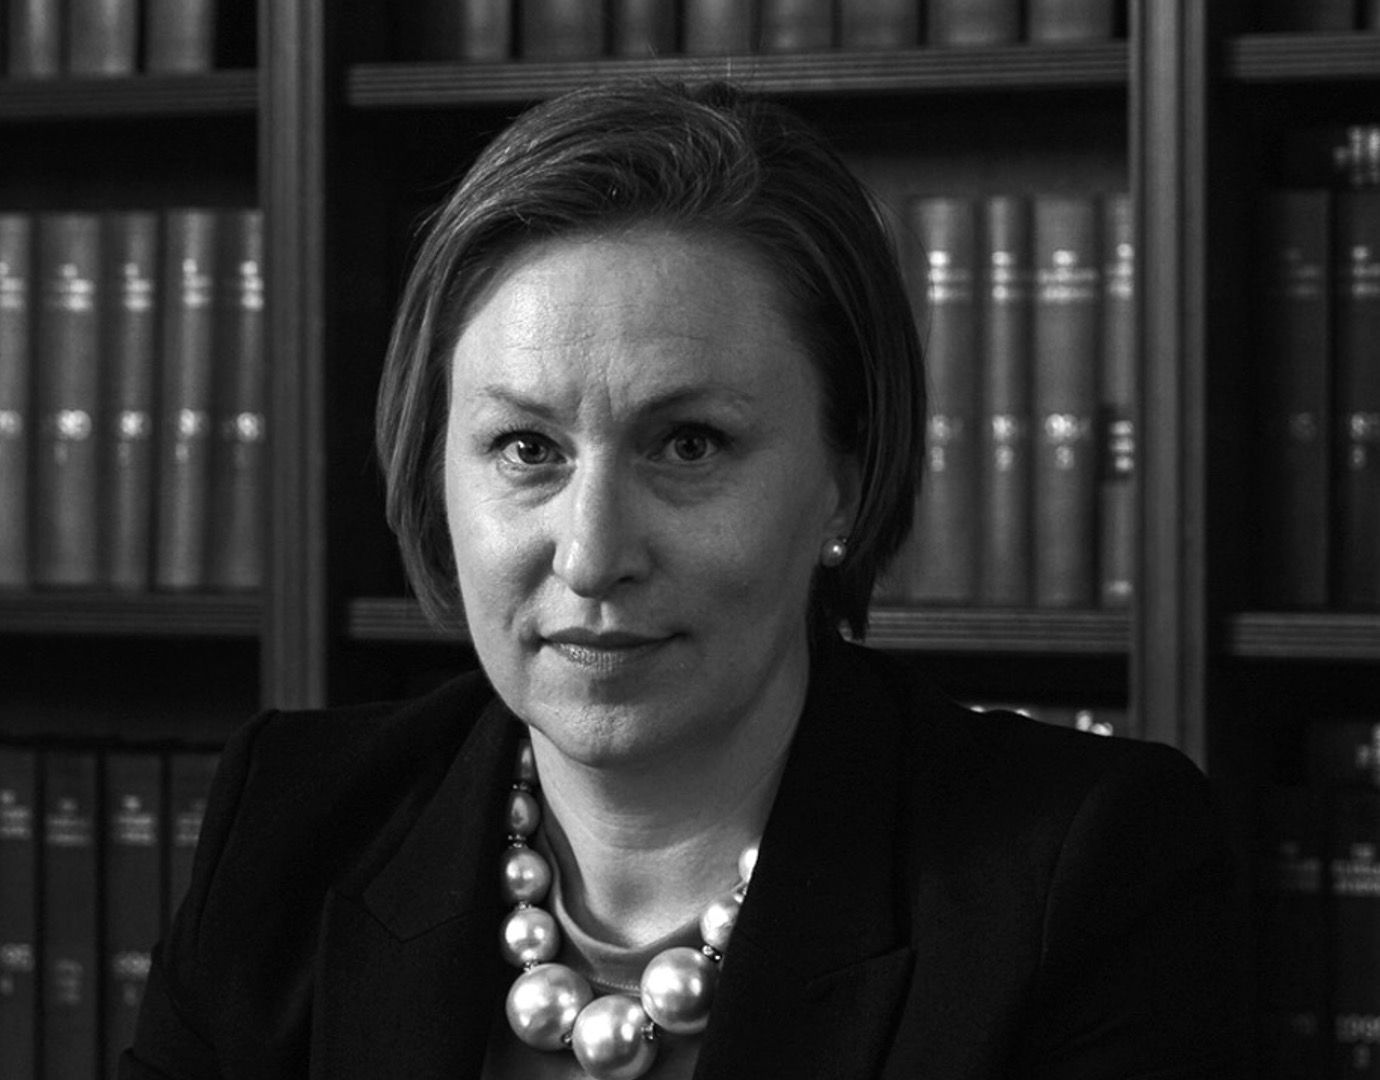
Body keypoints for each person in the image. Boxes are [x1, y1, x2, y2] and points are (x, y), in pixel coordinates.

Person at [122, 81, 1240, 1079]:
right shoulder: (288, 826)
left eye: (689, 444)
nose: (593, 552)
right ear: (435, 471)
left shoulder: (1079, 874)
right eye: (526, 449)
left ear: (845, 481)